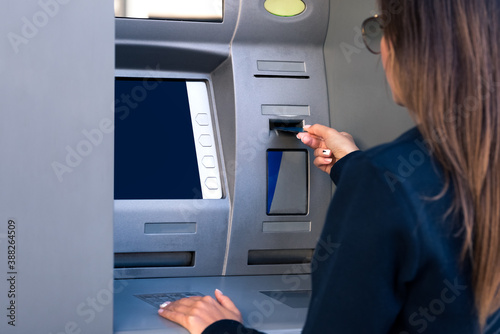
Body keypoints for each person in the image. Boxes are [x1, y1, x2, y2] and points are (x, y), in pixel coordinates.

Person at [157, 0, 500, 333]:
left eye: (382, 29)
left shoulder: (382, 179)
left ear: (416, 46)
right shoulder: (411, 172)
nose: (381, 49)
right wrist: (354, 167)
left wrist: (221, 329)